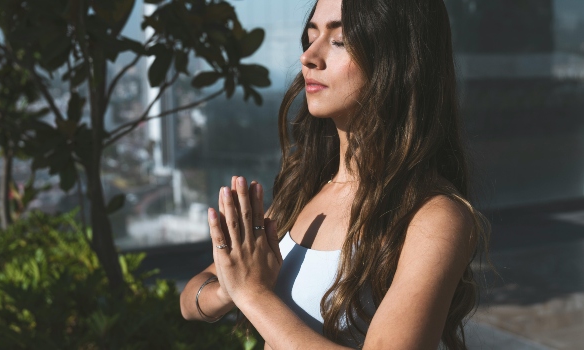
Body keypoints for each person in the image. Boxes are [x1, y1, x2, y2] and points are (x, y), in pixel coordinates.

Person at [179, 0, 490, 349]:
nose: (309, 56)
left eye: (339, 40)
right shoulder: (304, 191)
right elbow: (191, 299)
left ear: (400, 60)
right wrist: (228, 289)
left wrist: (251, 293)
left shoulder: (432, 216)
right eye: (310, 37)